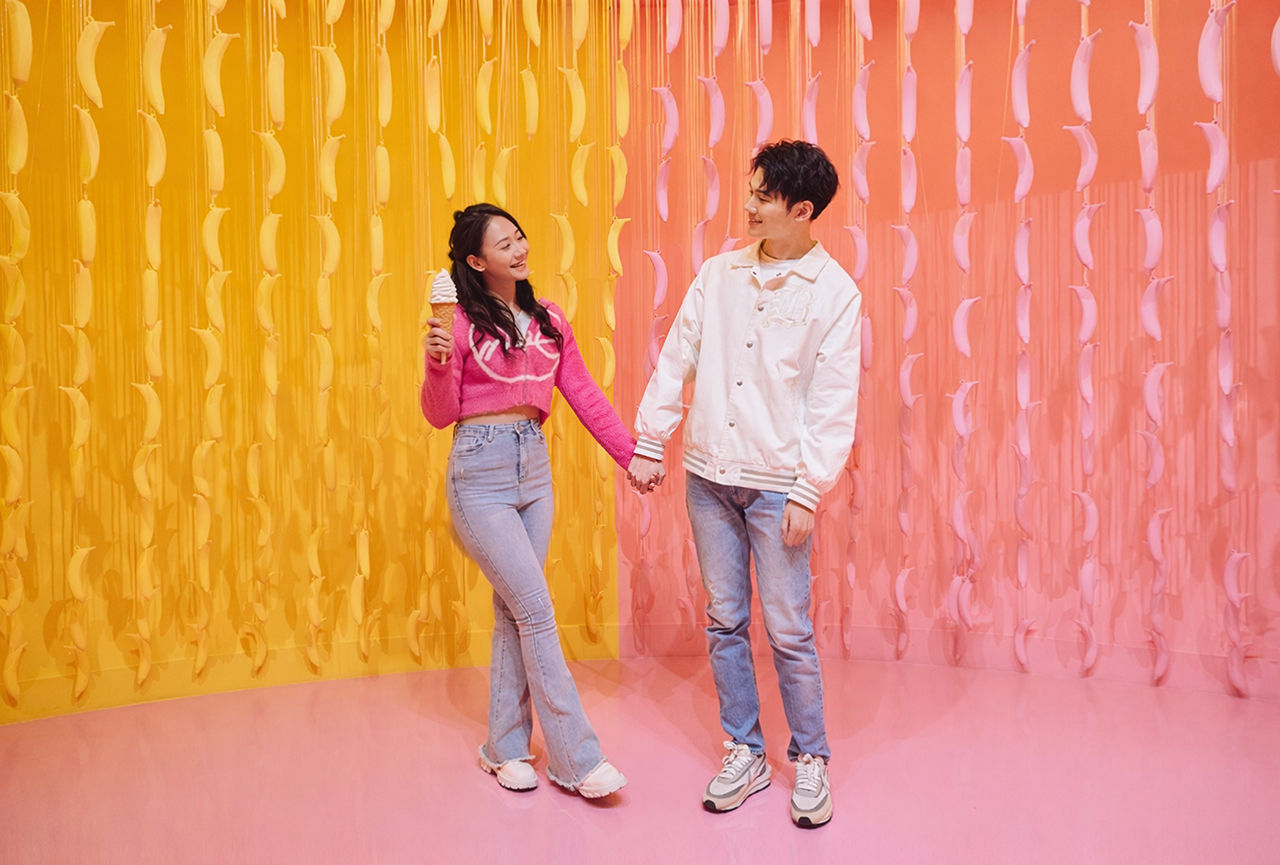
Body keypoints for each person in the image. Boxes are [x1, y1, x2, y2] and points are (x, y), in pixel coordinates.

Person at [628, 140, 861, 828]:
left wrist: (807, 489)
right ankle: (746, 749)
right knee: (725, 619)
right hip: (708, 476)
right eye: (751, 191)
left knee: (788, 627)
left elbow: (832, 399)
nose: (749, 205)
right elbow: (679, 355)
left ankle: (810, 756)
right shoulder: (719, 273)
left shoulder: (834, 293)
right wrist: (651, 437)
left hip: (775, 485)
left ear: (802, 209)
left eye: (763, 196)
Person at [421, 203, 633, 798]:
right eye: (502, 242)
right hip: (479, 474)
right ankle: (576, 760)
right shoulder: (458, 323)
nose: (518, 248)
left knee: (516, 613)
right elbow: (439, 416)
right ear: (474, 260)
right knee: (536, 611)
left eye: (519, 235)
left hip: (533, 471)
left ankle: (505, 748)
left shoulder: (548, 321)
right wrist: (437, 363)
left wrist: (632, 456)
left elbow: (585, 396)